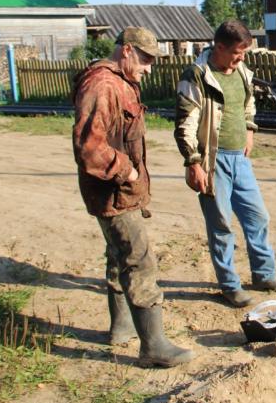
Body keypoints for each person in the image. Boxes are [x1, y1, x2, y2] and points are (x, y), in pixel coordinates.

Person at [72, 26, 195, 367]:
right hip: (114, 191)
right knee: (139, 262)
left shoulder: (120, 81)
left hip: (119, 192)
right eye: (145, 59)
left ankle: (121, 328)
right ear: (126, 51)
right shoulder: (103, 85)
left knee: (118, 256)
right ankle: (153, 346)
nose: (149, 68)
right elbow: (89, 147)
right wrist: (126, 171)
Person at [174, 19, 276, 308]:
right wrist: (193, 162)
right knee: (221, 224)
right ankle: (229, 285)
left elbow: (248, 103)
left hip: (241, 159)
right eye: (237, 52)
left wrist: (249, 131)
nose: (241, 58)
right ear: (219, 47)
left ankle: (264, 274)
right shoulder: (198, 75)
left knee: (258, 217)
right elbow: (185, 122)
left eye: (244, 52)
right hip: (214, 162)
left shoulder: (241, 71)